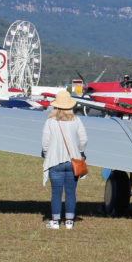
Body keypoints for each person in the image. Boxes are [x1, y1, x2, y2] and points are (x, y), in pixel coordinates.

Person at [41, 90, 87, 229]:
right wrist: (78, 151)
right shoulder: (77, 120)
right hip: (72, 162)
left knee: (56, 192)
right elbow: (83, 140)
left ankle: (55, 221)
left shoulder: (50, 122)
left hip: (55, 161)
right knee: (71, 192)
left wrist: (47, 153)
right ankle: (69, 221)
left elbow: (45, 143)